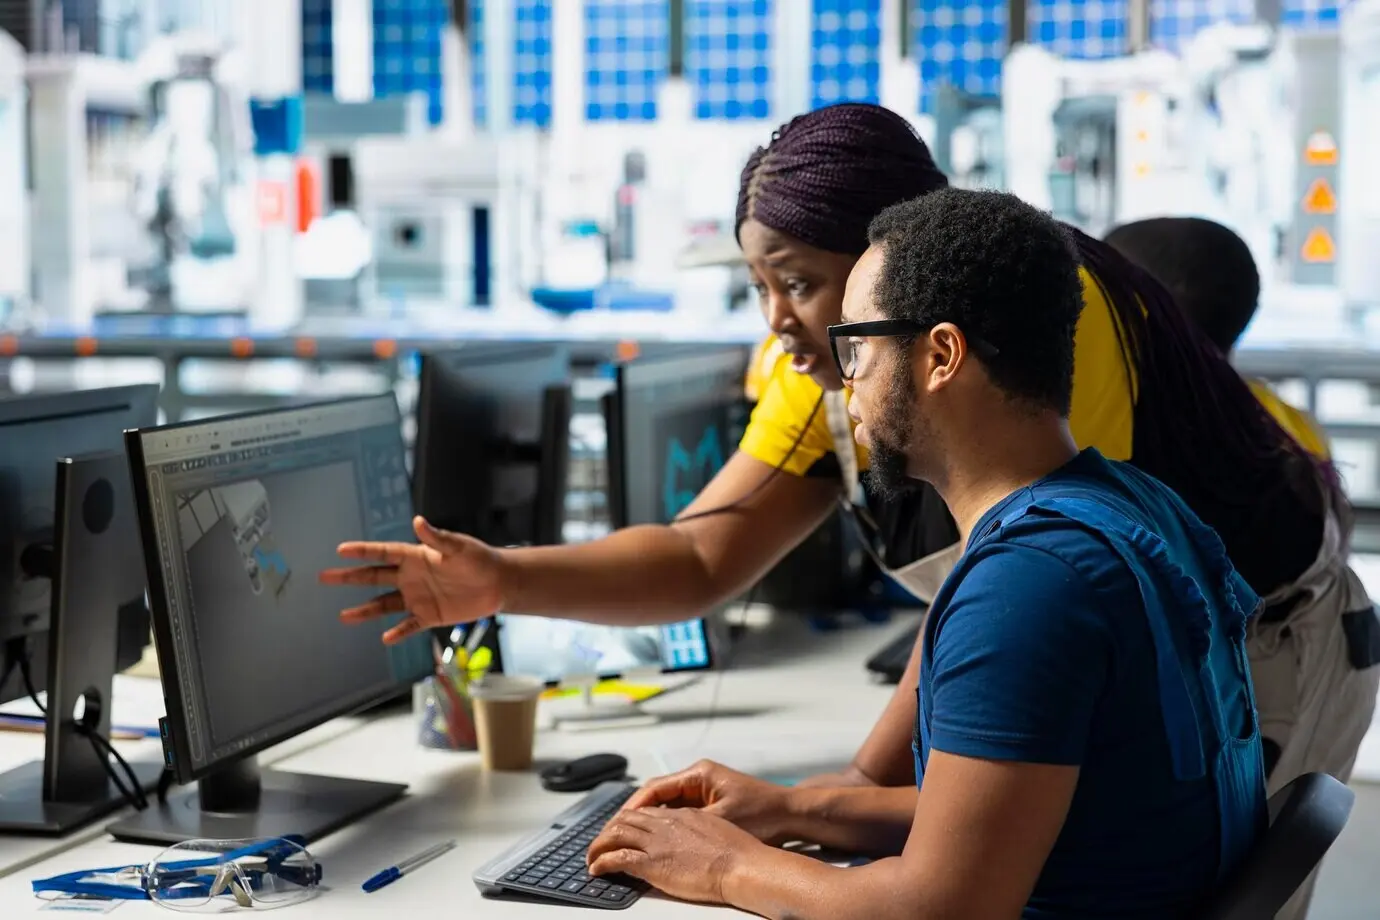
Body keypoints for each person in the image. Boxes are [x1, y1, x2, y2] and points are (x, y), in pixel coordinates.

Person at [319, 102, 1350, 808]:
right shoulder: (836, 363)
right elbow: (698, 558)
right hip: (1160, 659)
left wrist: (853, 786)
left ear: (892, 260)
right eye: (759, 285)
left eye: (797, 282)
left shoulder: (1035, 321)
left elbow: (1035, 582)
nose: (777, 322)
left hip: (1272, 643)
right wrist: (497, 579)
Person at [583, 188, 1267, 917]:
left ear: (941, 355)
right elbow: (1019, 810)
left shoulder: (1030, 584)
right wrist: (796, 808)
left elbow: (941, 907)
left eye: (857, 348)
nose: (843, 381)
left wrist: (725, 866)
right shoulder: (1132, 505)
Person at [1105, 216, 1380, 920]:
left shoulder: (1168, 433)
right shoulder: (1278, 416)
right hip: (1331, 660)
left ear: (1138, 311)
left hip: (1272, 679)